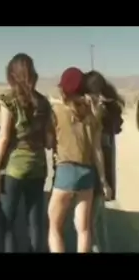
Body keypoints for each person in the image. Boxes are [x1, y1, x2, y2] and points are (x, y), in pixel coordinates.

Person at [0, 53, 54, 253]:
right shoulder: (43, 102)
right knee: (35, 222)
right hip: (38, 167)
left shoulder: (9, 101)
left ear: (12, 75)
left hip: (14, 169)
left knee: (8, 222)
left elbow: (3, 138)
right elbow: (50, 142)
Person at [48, 67, 111, 253]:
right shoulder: (94, 115)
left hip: (65, 172)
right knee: (83, 229)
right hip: (87, 174)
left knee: (54, 226)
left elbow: (49, 141)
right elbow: (97, 150)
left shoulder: (57, 112)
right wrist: (104, 181)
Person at [83, 71, 125, 252]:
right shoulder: (107, 106)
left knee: (91, 221)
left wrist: (97, 111)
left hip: (96, 167)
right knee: (97, 219)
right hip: (101, 167)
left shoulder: (102, 108)